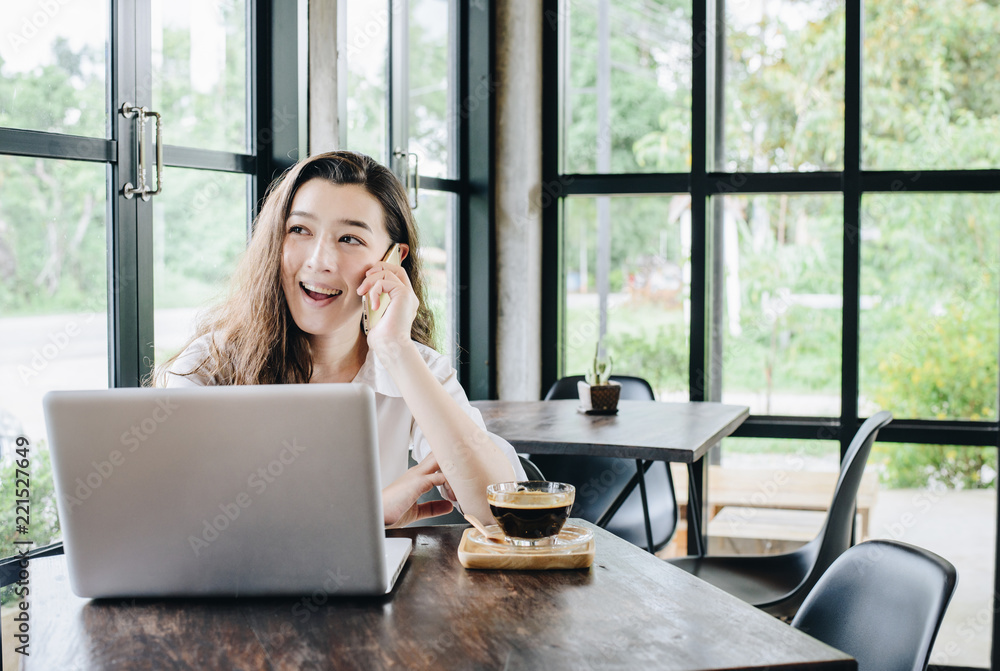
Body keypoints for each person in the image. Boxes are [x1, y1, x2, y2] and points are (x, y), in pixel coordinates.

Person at [155, 150, 524, 527]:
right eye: (299, 230)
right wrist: (367, 513)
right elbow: (177, 525)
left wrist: (396, 349)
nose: (320, 260)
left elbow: (505, 512)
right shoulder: (208, 368)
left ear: (393, 258)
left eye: (349, 238)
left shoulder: (416, 369)